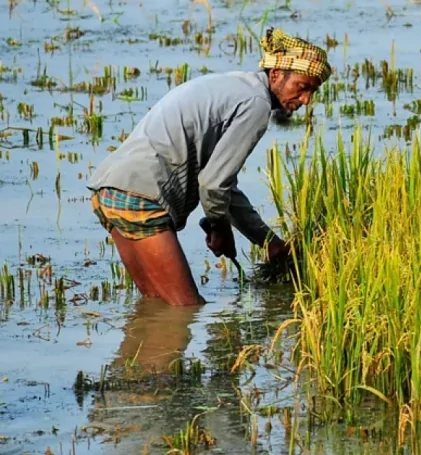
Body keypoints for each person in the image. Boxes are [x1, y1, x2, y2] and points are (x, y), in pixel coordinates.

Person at [86, 28, 332, 306]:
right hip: (141, 198)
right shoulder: (256, 104)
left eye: (313, 91)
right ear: (276, 74)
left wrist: (268, 242)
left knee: (156, 305)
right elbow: (215, 184)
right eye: (302, 87)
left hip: (110, 191)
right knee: (187, 308)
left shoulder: (234, 87)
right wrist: (220, 227)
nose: (307, 99)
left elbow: (223, 186)